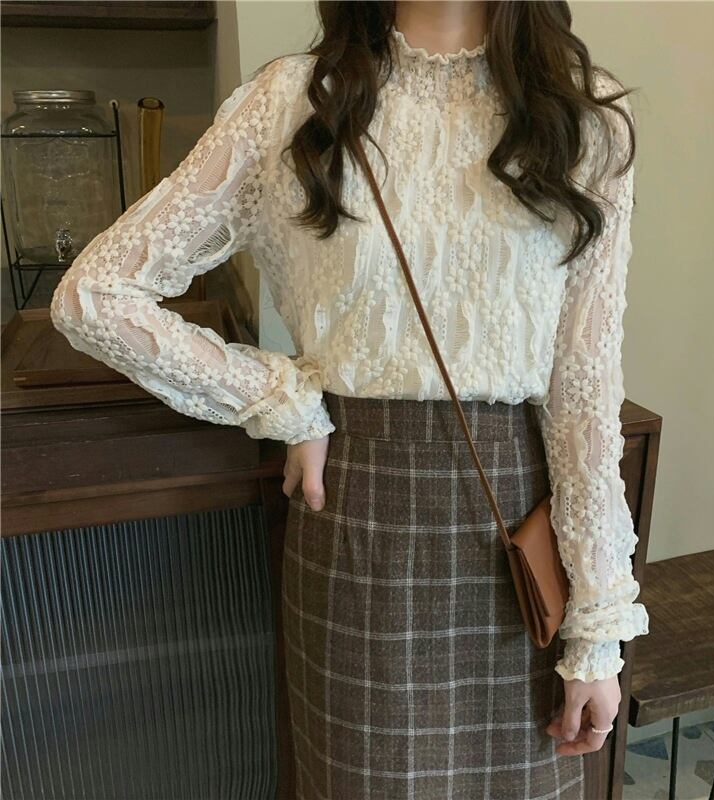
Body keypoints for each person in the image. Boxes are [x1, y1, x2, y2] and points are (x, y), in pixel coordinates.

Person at [50, 1, 649, 797]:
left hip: (517, 530)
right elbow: (94, 295)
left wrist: (598, 630)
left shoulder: (582, 118)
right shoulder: (294, 102)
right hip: (361, 519)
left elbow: (584, 392)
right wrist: (281, 397)